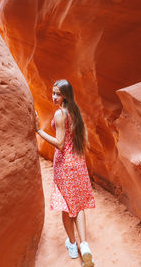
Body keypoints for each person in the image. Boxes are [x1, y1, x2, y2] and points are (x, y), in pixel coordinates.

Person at [35, 79, 95, 267]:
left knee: (66, 205)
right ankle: (84, 246)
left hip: (65, 165)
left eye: (58, 94)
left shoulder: (60, 114)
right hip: (78, 162)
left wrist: (38, 130)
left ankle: (71, 243)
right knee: (78, 205)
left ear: (65, 95)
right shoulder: (76, 112)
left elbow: (60, 144)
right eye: (53, 93)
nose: (54, 97)